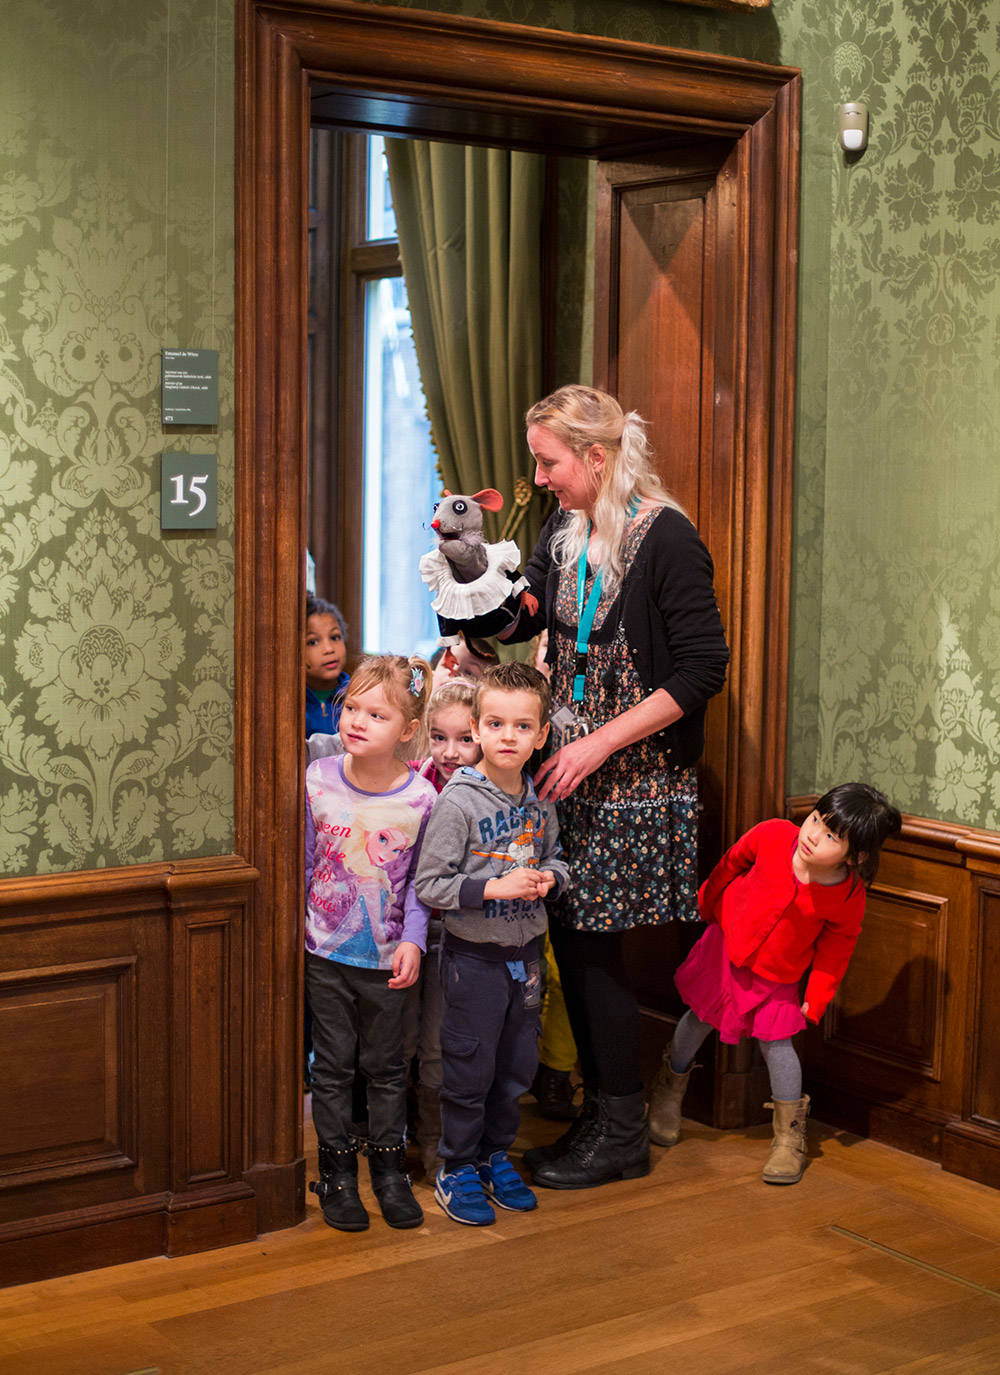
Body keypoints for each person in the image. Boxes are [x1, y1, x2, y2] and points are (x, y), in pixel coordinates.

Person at [500, 384, 730, 1190]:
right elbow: (522, 617)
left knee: (594, 952)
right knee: (571, 940)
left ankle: (621, 1128)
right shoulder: (564, 525)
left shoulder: (666, 537)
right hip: (567, 773)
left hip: (631, 781)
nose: (541, 478)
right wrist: (472, 594)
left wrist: (598, 743)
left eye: (549, 461)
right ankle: (601, 1116)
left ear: (596, 458)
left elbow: (704, 669)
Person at [650, 783, 902, 1185]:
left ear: (857, 856)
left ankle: (788, 1137)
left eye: (832, 836)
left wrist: (817, 999)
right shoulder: (773, 835)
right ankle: (668, 1092)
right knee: (698, 1019)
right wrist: (707, 901)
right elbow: (731, 863)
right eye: (817, 819)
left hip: (777, 976)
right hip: (725, 948)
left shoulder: (847, 895)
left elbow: (838, 949)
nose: (813, 834)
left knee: (778, 1045)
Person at [415, 662, 570, 1226]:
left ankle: (492, 1156)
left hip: (525, 961)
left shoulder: (539, 796)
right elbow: (431, 885)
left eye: (522, 726)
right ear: (476, 730)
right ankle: (455, 1166)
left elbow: (554, 856)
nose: (509, 736)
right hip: (472, 962)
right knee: (469, 1069)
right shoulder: (458, 802)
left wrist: (555, 877)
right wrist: (492, 887)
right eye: (497, 724)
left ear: (542, 735)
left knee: (515, 1069)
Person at [305, 654, 436, 1232]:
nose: (356, 721)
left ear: (407, 731)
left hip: (386, 962)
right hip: (323, 955)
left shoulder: (421, 801)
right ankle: (336, 1174)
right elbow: (303, 863)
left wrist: (413, 942)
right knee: (331, 1068)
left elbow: (421, 886)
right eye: (350, 707)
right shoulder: (318, 779)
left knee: (386, 1068)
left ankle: (388, 1172)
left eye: (375, 714)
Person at [405, 677, 482, 1177]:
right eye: (439, 737)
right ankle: (404, 1135)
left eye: (465, 738)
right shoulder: (412, 784)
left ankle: (439, 1144)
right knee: (403, 1041)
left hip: (462, 933)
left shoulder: (492, 793)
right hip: (407, 933)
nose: (450, 751)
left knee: (441, 1044)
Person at [305, 593, 350, 736]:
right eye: (313, 642)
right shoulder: (288, 702)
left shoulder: (358, 695)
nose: (329, 649)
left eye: (335, 637)